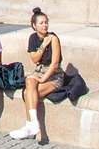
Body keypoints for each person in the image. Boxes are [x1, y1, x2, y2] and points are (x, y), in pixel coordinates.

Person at [9, 7, 65, 140]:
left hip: (54, 75)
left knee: (28, 94)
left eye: (46, 22)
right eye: (41, 23)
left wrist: (43, 79)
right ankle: (32, 125)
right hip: (39, 70)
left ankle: (30, 126)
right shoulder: (33, 38)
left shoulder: (53, 38)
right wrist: (43, 45)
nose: (45, 25)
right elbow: (34, 59)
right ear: (34, 26)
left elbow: (55, 64)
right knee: (29, 82)